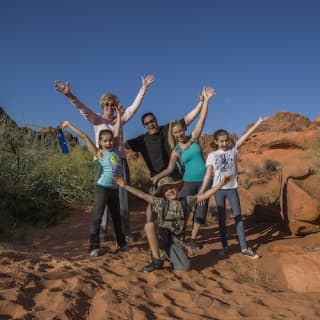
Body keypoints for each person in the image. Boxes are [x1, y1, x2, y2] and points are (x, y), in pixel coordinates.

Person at [55, 75, 155, 242]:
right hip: (101, 163)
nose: (109, 107)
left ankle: (124, 233)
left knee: (122, 198)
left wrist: (144, 88)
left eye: (112, 104)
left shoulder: (120, 119)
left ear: (115, 107)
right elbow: (82, 108)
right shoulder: (96, 118)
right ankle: (101, 232)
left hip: (120, 161)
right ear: (103, 106)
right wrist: (69, 95)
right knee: (103, 198)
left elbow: (134, 107)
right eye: (107, 104)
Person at [125, 90, 207, 269]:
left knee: (178, 210)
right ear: (144, 126)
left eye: (152, 121)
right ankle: (156, 244)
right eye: (147, 123)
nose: (151, 124)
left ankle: (176, 241)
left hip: (171, 177)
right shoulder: (141, 139)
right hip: (156, 180)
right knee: (150, 211)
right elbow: (120, 144)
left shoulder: (166, 130)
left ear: (156, 121)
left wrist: (201, 102)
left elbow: (187, 119)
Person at [114, 175, 233, 271]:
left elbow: (205, 195)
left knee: (184, 268)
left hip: (176, 241)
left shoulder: (186, 201)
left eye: (172, 187)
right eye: (166, 189)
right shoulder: (160, 202)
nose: (170, 190)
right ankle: (157, 260)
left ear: (177, 188)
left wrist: (221, 184)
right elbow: (142, 195)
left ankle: (169, 256)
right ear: (162, 193)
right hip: (163, 237)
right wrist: (125, 186)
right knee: (149, 225)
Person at [150, 87, 216, 251]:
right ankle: (180, 235)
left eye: (180, 130)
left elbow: (202, 119)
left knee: (201, 209)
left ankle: (193, 239)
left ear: (185, 129)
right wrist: (157, 177)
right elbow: (170, 168)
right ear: (173, 135)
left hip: (205, 180)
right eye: (175, 132)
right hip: (187, 181)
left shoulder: (194, 139)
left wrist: (206, 102)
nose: (179, 134)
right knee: (182, 209)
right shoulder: (176, 151)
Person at [60, 104, 129, 257]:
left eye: (110, 140)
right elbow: (84, 136)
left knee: (117, 217)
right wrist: (69, 125)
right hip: (102, 188)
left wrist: (118, 115)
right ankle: (93, 247)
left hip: (114, 188)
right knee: (97, 217)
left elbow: (117, 131)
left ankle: (122, 243)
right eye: (105, 141)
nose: (108, 143)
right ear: (100, 142)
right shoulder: (99, 154)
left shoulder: (116, 150)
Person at [199, 117, 268, 259]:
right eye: (221, 141)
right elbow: (208, 174)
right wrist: (202, 192)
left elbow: (245, 136)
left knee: (238, 218)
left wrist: (258, 123)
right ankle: (225, 248)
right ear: (216, 142)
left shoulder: (233, 149)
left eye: (226, 141)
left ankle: (244, 248)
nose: (224, 143)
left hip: (232, 188)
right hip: (218, 190)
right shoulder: (212, 155)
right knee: (222, 220)